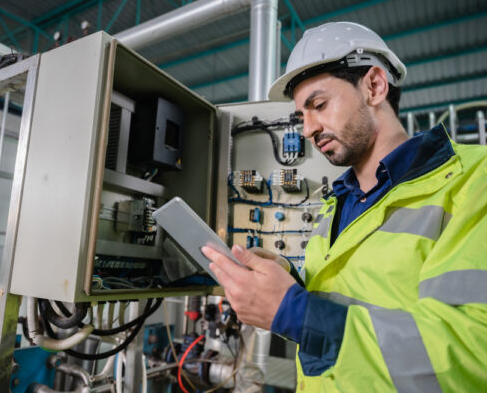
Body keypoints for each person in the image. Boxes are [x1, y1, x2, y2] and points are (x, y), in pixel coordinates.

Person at [202, 21, 487, 392]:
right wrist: (289, 285)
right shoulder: (337, 201)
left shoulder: (474, 181)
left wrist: (296, 313)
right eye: (301, 115)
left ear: (374, 86)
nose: (307, 129)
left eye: (318, 105)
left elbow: (472, 354)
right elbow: (351, 303)